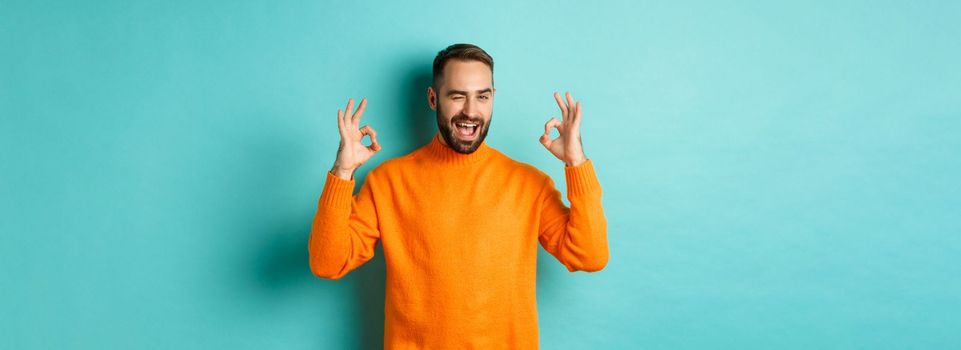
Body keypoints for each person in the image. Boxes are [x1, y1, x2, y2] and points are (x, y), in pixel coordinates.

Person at [308, 43, 609, 349]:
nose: (470, 111)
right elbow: (327, 263)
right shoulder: (388, 181)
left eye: (482, 96)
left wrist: (576, 162)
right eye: (457, 96)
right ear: (432, 98)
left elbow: (589, 255)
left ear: (493, 98)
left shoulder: (529, 184)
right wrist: (342, 172)